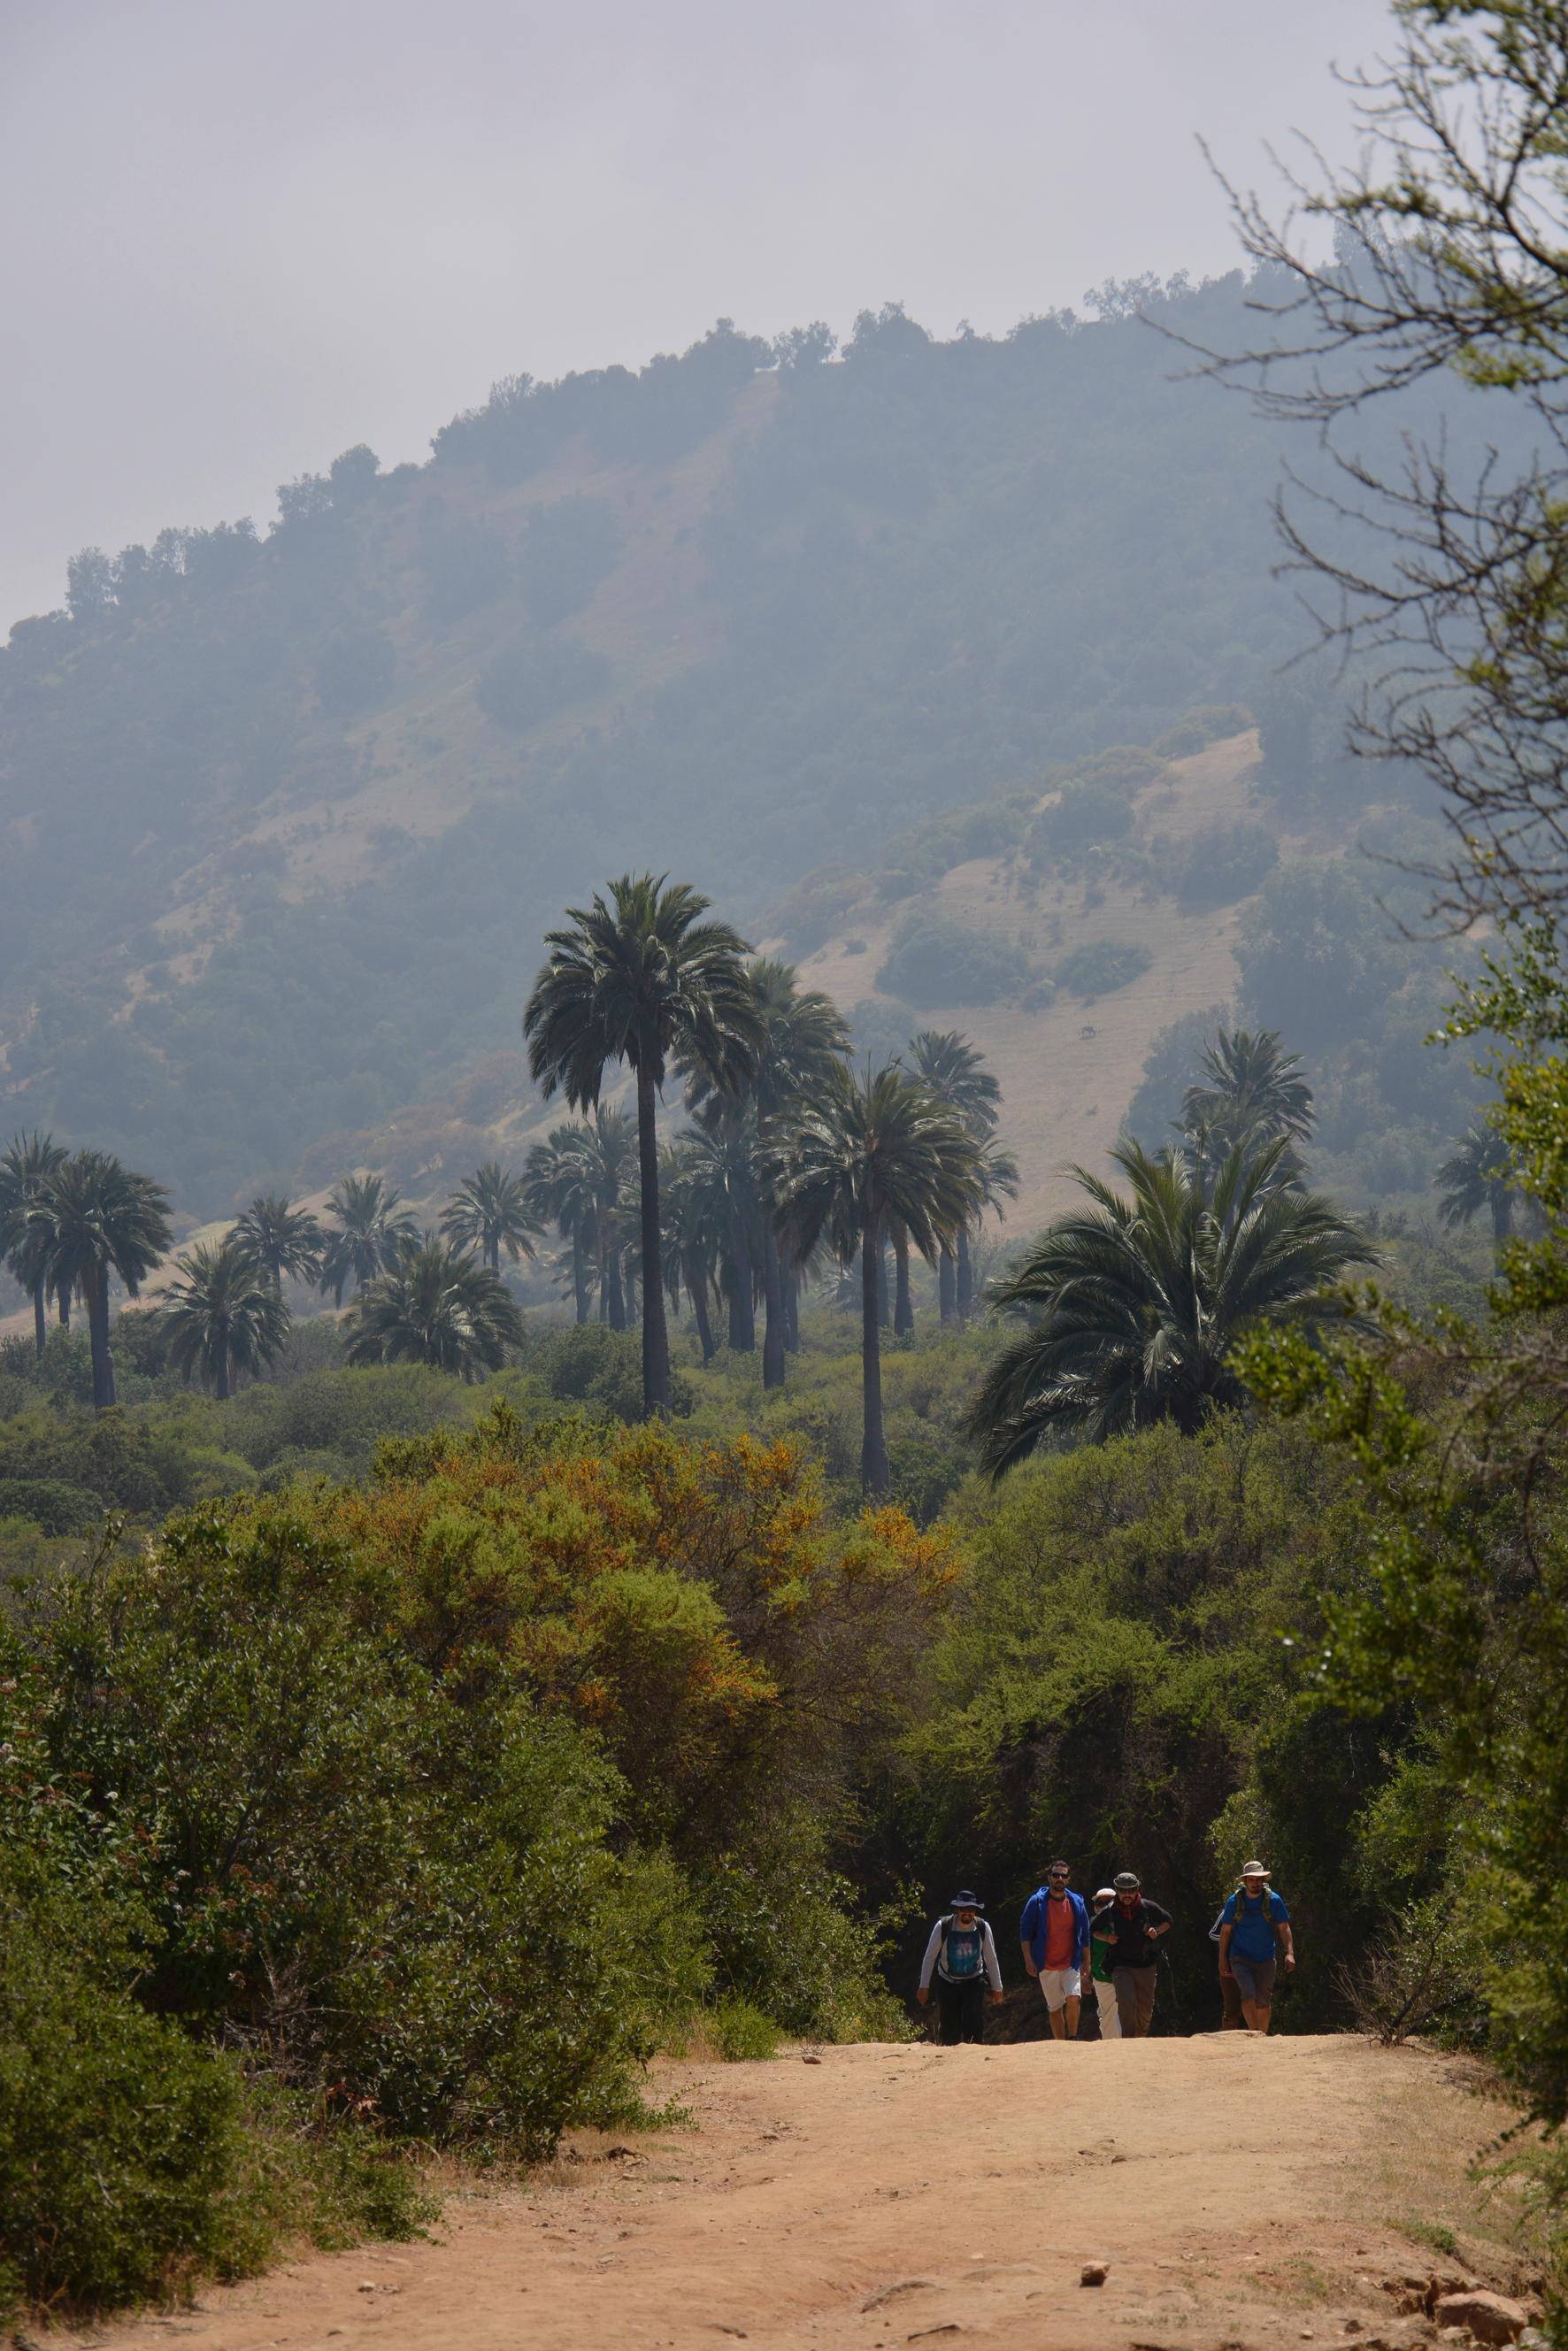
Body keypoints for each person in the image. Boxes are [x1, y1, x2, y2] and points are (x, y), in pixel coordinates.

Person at [1090, 1870, 1172, 2038]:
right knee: (1126, 2002)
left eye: (1131, 1890)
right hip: (1121, 1965)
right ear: (1117, 1891)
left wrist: (1156, 1931)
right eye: (1123, 1891)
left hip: (1146, 1965)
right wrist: (1107, 1938)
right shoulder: (1110, 1912)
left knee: (1145, 2009)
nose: (1127, 1895)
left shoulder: (1147, 1907)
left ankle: (1139, 2039)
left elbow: (1168, 1921)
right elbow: (1093, 1929)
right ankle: (1128, 2041)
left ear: (1137, 1890)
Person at [1217, 1862, 1295, 2034]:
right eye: (1251, 1880)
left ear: (1263, 1880)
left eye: (1259, 1880)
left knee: (1263, 2001)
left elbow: (1284, 1928)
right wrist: (1222, 1959)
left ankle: (1263, 2036)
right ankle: (1254, 2034)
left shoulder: (1273, 1900)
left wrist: (1290, 1953)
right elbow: (1225, 1932)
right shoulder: (1234, 1902)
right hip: (1240, 1957)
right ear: (1245, 1881)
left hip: (1266, 1958)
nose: (1255, 1883)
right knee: (1248, 1993)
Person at [917, 1890, 1003, 2045]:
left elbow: (991, 1957)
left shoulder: (983, 1927)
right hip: (947, 1981)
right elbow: (929, 1957)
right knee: (949, 2024)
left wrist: (997, 1987)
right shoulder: (943, 1926)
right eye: (963, 1909)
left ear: (975, 1911)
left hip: (974, 1980)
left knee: (974, 2020)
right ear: (957, 1910)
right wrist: (924, 1986)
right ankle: (950, 2060)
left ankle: (974, 2058)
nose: (967, 1913)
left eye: (971, 1909)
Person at [1018, 1861, 1091, 2040]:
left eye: (1064, 1876)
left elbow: (1085, 1934)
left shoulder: (1077, 1903)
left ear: (1068, 1879)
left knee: (1074, 1998)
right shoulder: (1036, 1902)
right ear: (1049, 1877)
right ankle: (1061, 2044)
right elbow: (1025, 1933)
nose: (1060, 1878)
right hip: (1047, 1963)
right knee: (1055, 2007)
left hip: (1070, 1962)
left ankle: (1072, 2038)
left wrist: (1087, 1961)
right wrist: (1028, 1960)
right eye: (1056, 1875)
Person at [1088, 1886, 1121, 2040]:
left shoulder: (1127, 1922)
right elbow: (1084, 1954)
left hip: (1126, 1974)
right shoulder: (1090, 1926)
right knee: (1108, 2015)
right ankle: (1113, 2050)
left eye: (1111, 1902)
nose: (1106, 1906)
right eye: (1102, 1903)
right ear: (1095, 1907)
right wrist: (1083, 1977)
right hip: (1102, 1977)